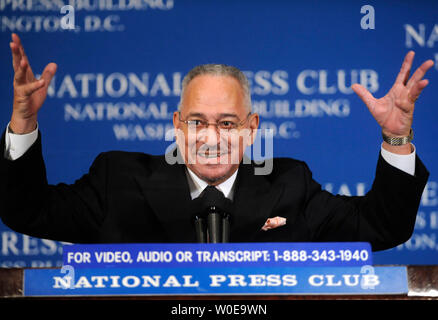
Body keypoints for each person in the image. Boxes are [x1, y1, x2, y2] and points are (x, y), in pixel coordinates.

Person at [0, 34, 434, 251]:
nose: (211, 138)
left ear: (251, 128)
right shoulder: (119, 180)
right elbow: (27, 210)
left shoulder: (290, 185)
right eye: (197, 122)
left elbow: (382, 226)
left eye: (227, 124)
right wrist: (23, 121)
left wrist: (396, 136)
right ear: (177, 125)